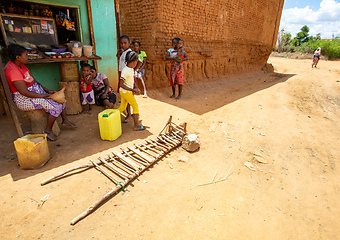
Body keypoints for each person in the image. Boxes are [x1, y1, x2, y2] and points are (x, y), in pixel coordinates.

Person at [4, 44, 76, 141]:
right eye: (26, 55)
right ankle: (48, 131)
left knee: (59, 97)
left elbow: (34, 81)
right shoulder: (13, 71)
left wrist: (47, 90)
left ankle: (65, 120)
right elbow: (24, 92)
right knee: (56, 106)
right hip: (24, 99)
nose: (27, 57)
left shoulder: (20, 65)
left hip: (33, 92)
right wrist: (45, 95)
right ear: (18, 57)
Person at [118, 51, 145, 131]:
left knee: (122, 107)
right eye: (136, 61)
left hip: (124, 91)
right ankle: (136, 126)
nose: (138, 62)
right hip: (126, 92)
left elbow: (140, 62)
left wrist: (135, 87)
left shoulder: (131, 69)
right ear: (133, 61)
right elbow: (121, 84)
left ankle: (111, 116)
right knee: (135, 106)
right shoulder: (125, 71)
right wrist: (133, 90)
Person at [116, 35, 142, 122]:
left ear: (129, 43)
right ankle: (128, 114)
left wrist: (133, 70)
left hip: (127, 75)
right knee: (126, 97)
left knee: (128, 96)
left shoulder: (129, 52)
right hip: (124, 74)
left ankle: (129, 115)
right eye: (121, 43)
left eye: (125, 43)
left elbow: (140, 61)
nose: (123, 45)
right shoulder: (124, 52)